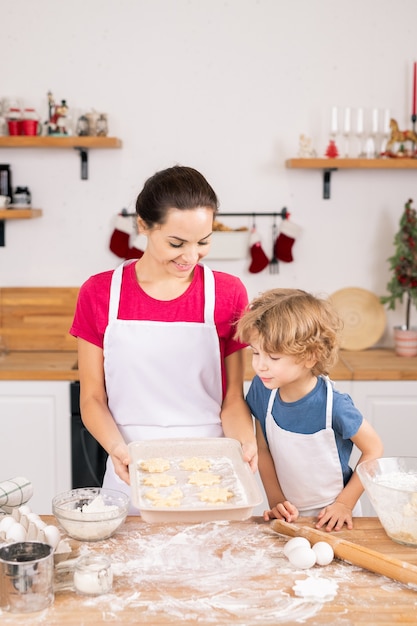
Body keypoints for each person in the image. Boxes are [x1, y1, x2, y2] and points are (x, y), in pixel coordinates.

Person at [70, 165, 258, 512]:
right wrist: (117, 450)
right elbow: (93, 398)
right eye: (176, 243)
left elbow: (233, 398)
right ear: (143, 225)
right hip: (131, 468)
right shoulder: (100, 293)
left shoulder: (227, 293)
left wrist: (244, 444)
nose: (190, 256)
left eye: (203, 242)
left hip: (212, 471)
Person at [235, 288, 383, 532]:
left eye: (273, 357)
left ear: (310, 357)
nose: (260, 365)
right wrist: (276, 501)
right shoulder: (262, 392)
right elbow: (262, 447)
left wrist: (344, 504)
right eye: (256, 352)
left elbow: (374, 449)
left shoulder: (334, 405)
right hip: (289, 515)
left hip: (334, 516)